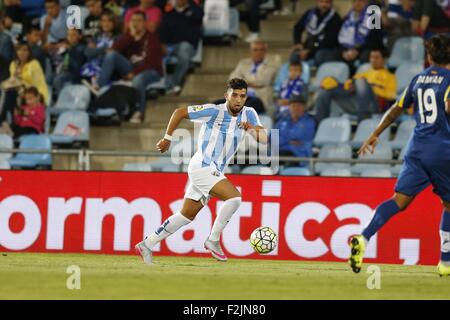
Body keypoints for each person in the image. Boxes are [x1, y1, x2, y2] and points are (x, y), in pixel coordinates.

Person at [135, 78, 268, 264]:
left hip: (215, 169)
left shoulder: (249, 113)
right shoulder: (214, 111)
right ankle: (213, 240)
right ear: (226, 96)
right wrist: (167, 138)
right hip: (202, 166)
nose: (238, 99)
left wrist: (252, 129)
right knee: (234, 198)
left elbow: (264, 139)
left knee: (187, 215)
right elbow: (179, 112)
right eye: (235, 95)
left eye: (242, 96)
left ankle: (147, 244)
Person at [348, 34, 450, 276]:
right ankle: (445, 262)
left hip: (416, 149)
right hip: (442, 149)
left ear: (429, 56)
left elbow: (396, 109)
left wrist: (375, 133)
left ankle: (364, 237)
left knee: (399, 200)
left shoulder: (418, 79)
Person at [95, 11, 163, 123]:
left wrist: (134, 73)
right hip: (133, 68)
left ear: (145, 23)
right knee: (112, 56)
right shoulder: (128, 36)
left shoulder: (152, 38)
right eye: (134, 21)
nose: (136, 23)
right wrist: (131, 36)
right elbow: (114, 49)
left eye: (139, 21)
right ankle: (101, 88)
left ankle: (139, 111)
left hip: (151, 71)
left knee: (138, 79)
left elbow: (151, 62)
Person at [314, 48, 396, 123]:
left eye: (376, 57)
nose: (373, 60)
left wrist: (371, 87)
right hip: (355, 102)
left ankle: (363, 118)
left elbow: (391, 96)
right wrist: (349, 86)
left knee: (360, 81)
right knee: (328, 89)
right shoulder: (364, 74)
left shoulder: (390, 77)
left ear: (384, 59)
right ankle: (320, 122)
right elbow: (346, 85)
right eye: (371, 57)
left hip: (374, 105)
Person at [159, 0, 203, 94]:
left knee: (184, 51)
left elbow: (200, 15)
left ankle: (174, 83)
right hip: (169, 45)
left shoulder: (194, 11)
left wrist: (190, 2)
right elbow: (162, 32)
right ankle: (164, 84)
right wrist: (162, 45)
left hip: (186, 45)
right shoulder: (168, 14)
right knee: (155, 53)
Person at [0, 43, 49, 124]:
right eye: (19, 50)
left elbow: (35, 84)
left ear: (29, 52)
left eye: (25, 50)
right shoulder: (13, 64)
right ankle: (9, 122)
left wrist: (20, 79)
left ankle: (3, 120)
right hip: (18, 93)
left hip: (35, 94)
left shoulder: (34, 64)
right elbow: (13, 82)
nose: (21, 52)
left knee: (10, 94)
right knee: (8, 93)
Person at [229, 40, 279, 117]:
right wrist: (249, 84)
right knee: (217, 104)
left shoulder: (272, 64)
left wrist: (243, 82)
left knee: (245, 108)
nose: (258, 52)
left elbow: (262, 81)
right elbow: (231, 79)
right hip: (241, 96)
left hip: (260, 97)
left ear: (265, 51)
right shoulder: (243, 63)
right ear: (251, 51)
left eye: (261, 50)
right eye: (255, 50)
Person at [291, 0, 342, 67]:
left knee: (319, 56)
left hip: (325, 48)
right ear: (317, 2)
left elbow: (329, 41)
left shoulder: (335, 18)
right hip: (308, 46)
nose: (324, 5)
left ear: (331, 3)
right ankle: (296, 76)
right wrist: (298, 43)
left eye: (327, 2)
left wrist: (309, 51)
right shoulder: (310, 13)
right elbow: (297, 28)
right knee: (294, 56)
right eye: (321, 2)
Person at [338, 0, 384, 71]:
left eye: (361, 1)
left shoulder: (374, 16)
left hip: (367, 48)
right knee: (335, 54)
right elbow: (340, 38)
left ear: (366, 2)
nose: (358, 3)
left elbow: (375, 39)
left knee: (366, 56)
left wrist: (357, 50)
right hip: (349, 49)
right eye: (355, 1)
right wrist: (343, 51)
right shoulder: (347, 18)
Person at [273, 94, 316, 167]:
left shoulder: (309, 122)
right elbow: (272, 138)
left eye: (299, 105)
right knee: (253, 155)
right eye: (293, 106)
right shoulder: (282, 120)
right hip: (279, 152)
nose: (296, 108)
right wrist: (288, 141)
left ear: (304, 108)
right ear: (289, 107)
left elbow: (300, 137)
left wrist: (282, 140)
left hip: (297, 154)